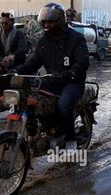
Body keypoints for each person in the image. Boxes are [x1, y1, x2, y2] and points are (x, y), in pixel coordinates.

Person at [12, 3, 90, 151]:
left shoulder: (76, 38)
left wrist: (72, 72)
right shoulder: (44, 41)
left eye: (50, 21)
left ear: (60, 20)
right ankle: (40, 129)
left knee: (63, 105)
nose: (46, 24)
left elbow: (83, 61)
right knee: (28, 99)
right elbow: (33, 63)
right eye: (45, 21)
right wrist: (16, 71)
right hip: (51, 81)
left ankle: (70, 140)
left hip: (72, 83)